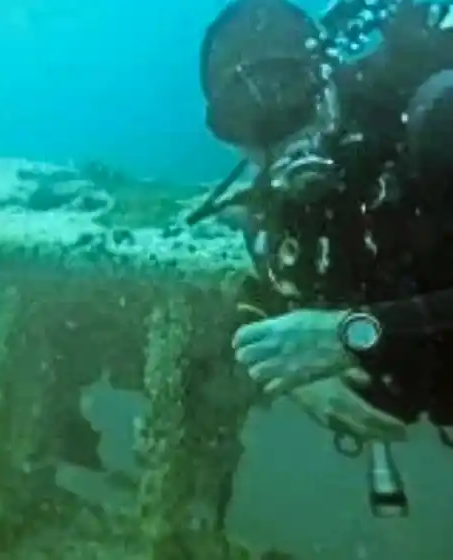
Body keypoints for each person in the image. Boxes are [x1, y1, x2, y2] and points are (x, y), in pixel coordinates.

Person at [194, 0, 453, 444]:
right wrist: (294, 370)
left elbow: (351, 329)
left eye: (291, 96)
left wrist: (352, 334)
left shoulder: (437, 125)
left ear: (325, 78)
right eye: (244, 121)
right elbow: (269, 276)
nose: (280, 136)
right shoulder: (281, 202)